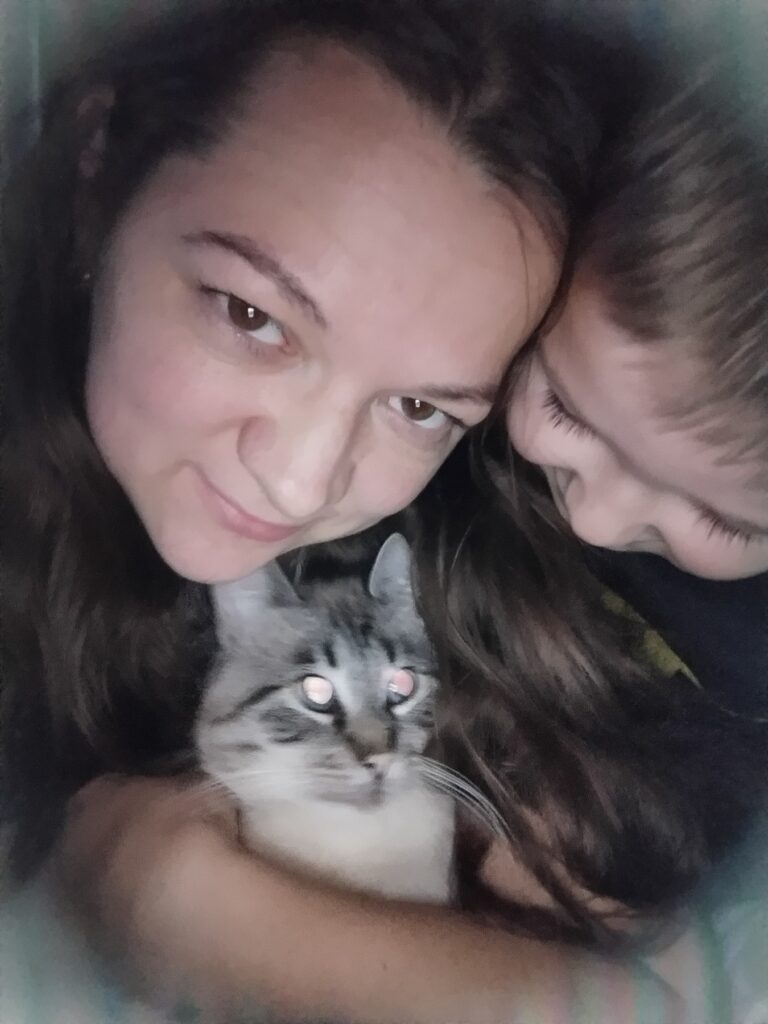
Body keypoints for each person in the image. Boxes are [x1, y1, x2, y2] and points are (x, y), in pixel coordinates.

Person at [2, 1, 684, 1022]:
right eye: (253, 314)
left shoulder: (486, 581)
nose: (301, 483)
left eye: (420, 408)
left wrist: (180, 899)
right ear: (101, 163)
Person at [412, 42, 768, 1023]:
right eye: (566, 408)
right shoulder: (456, 442)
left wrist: (185, 895)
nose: (594, 516)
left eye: (721, 515)